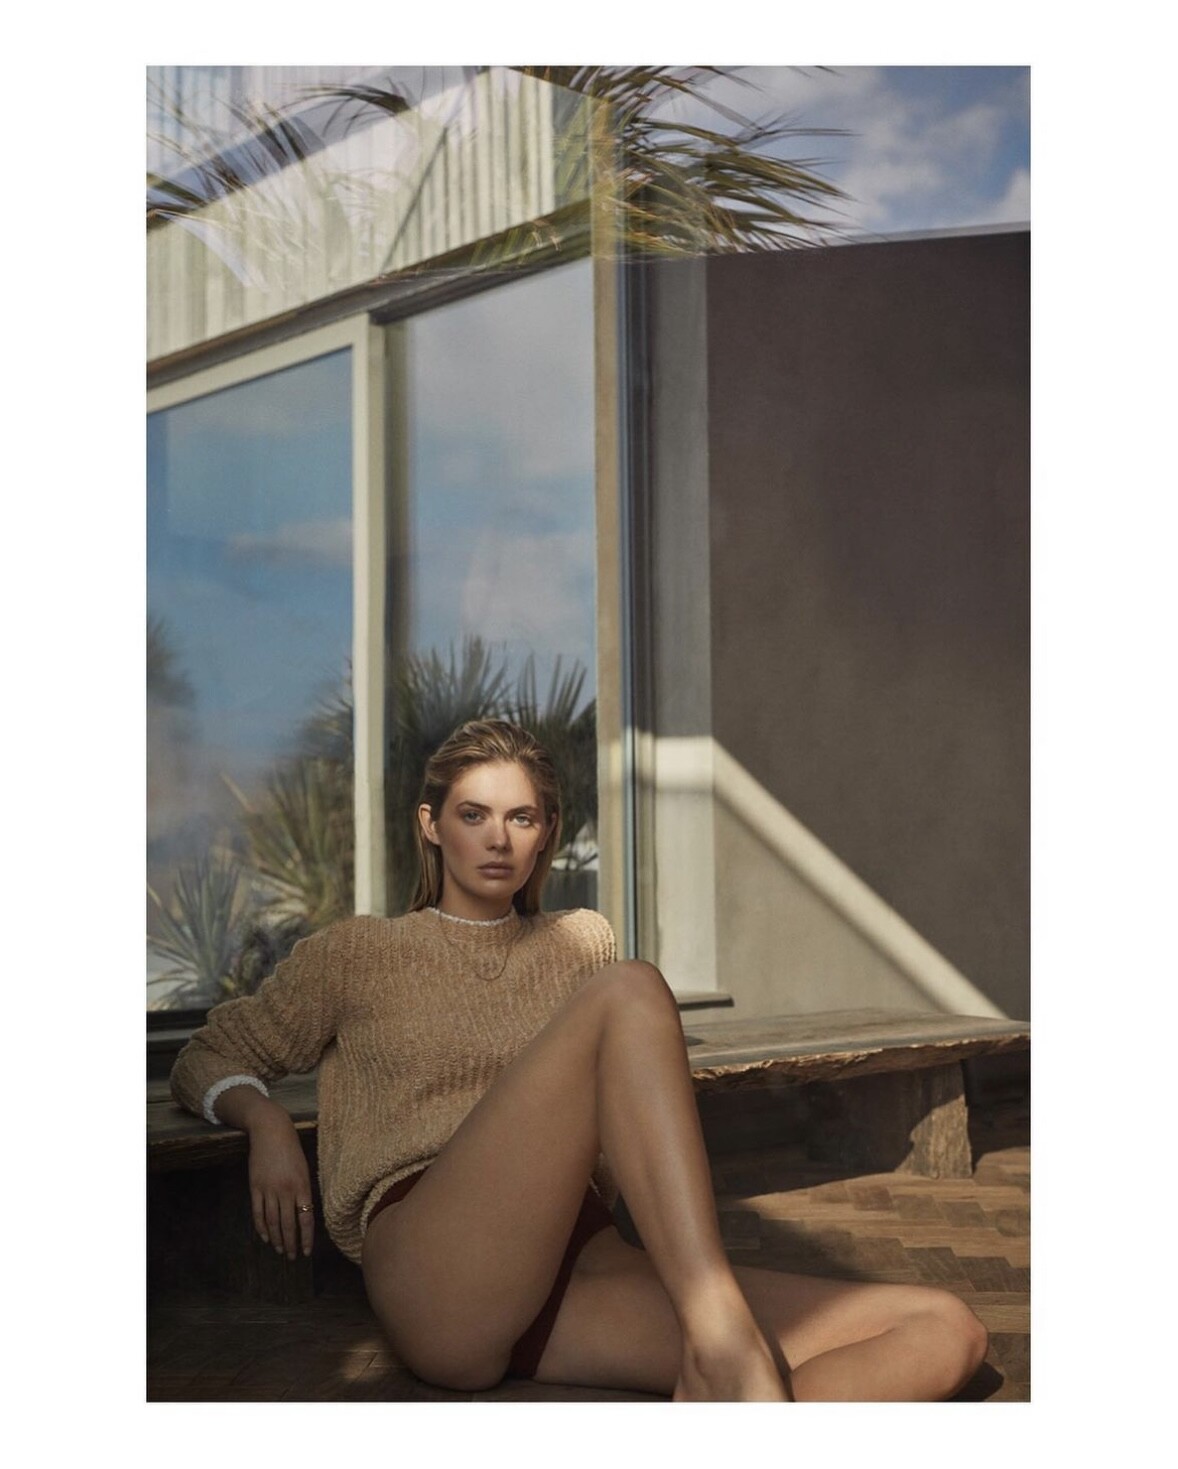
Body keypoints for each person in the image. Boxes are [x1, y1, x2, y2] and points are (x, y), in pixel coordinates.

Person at [170, 718, 988, 1401]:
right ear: (431, 824)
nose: (498, 837)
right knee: (632, 991)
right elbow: (210, 1054)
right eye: (473, 814)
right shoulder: (359, 952)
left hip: (584, 1259)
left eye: (522, 818)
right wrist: (265, 1120)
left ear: (547, 835)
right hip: (438, 1264)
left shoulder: (578, 942)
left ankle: (726, 1381)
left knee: (945, 1329)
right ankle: (719, 1336)